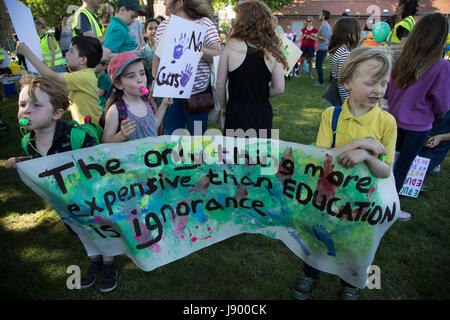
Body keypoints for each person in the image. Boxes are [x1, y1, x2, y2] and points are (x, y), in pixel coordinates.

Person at [293, 46, 396, 300]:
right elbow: (320, 158)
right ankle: (310, 273)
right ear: (347, 82)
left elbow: (386, 170)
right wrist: (359, 145)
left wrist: (367, 156)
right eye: (371, 82)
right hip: (328, 195)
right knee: (317, 237)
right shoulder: (332, 116)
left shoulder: (387, 122)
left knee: (355, 244)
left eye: (383, 83)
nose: (378, 90)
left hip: (362, 202)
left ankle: (351, 282)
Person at [386, 13, 449, 221]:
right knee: (402, 166)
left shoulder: (402, 59)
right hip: (417, 127)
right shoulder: (441, 67)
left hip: (393, 121)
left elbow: (388, 91)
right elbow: (442, 104)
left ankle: (380, 201)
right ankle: (390, 208)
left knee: (389, 164)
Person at [215, 0, 287, 138]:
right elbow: (279, 88)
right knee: (259, 156)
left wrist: (223, 107)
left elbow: (219, 83)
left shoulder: (232, 45)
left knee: (234, 156)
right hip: (261, 112)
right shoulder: (272, 50)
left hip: (236, 111)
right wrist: (258, 94)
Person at [151, 0, 222, 135]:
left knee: (197, 137)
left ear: (179, 3)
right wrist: (155, 79)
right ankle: (176, 156)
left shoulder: (203, 23)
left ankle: (196, 157)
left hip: (197, 93)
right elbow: (157, 58)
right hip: (170, 93)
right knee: (172, 135)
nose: (164, 3)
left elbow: (218, 53)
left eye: (167, 0)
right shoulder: (163, 27)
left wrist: (195, 47)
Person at [17, 36, 103, 125]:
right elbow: (59, 86)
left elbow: (50, 76)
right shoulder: (83, 75)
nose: (66, 54)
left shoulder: (84, 76)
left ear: (83, 60)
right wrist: (45, 68)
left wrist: (26, 52)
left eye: (71, 51)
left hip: (91, 127)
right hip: (87, 125)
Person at [102, 52, 170, 144]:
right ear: (119, 84)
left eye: (142, 73)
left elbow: (152, 126)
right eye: (131, 76)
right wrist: (121, 136)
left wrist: (164, 104)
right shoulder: (115, 110)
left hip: (151, 156)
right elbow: (105, 141)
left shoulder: (147, 101)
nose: (140, 80)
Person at [325, 17, 360, 106]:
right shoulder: (344, 54)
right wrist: (347, 104)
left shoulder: (338, 49)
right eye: (357, 32)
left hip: (333, 95)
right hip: (338, 100)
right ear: (349, 34)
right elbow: (342, 83)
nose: (359, 35)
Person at [312, 10, 332, 87]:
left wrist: (316, 36)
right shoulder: (323, 25)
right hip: (321, 48)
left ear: (323, 16)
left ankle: (321, 82)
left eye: (320, 14)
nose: (318, 15)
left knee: (318, 65)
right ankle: (320, 81)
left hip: (323, 48)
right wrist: (316, 35)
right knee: (318, 65)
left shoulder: (325, 26)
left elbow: (325, 38)